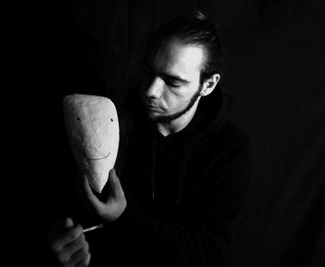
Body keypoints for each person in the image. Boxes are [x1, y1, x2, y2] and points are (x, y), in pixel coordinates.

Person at [50, 11, 253, 267]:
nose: (150, 91)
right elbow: (74, 213)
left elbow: (205, 251)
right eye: (148, 71)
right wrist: (67, 246)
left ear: (208, 85)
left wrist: (123, 216)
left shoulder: (230, 149)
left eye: (173, 81)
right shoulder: (111, 123)